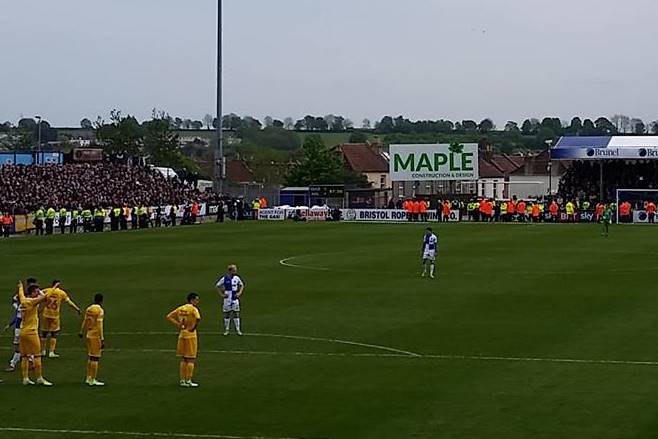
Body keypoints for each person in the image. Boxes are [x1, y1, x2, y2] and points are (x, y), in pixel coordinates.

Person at [17, 281, 52, 386]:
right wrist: (41, 291)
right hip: (31, 332)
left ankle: (25, 378)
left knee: (24, 356)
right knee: (37, 356)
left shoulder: (23, 301)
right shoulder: (32, 301)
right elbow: (45, 296)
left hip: (22, 331)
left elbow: (21, 294)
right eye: (36, 291)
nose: (38, 293)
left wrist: (21, 287)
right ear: (32, 293)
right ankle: (39, 378)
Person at [166, 292, 201, 387]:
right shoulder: (193, 309)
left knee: (183, 359)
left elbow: (169, 316)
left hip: (182, 335)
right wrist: (193, 328)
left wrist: (178, 324)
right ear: (192, 300)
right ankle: (189, 380)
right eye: (196, 299)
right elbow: (198, 318)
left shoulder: (181, 308)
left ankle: (182, 380)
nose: (198, 301)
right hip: (191, 336)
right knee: (191, 359)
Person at [40, 281, 81, 358]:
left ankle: (43, 351)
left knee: (44, 333)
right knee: (54, 333)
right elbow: (69, 302)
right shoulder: (61, 293)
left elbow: (38, 295)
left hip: (46, 314)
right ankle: (51, 352)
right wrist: (77, 309)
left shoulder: (47, 290)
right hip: (55, 315)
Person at [79, 293, 105, 386]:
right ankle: (93, 379)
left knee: (90, 357)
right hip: (95, 335)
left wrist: (81, 331)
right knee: (95, 358)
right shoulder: (100, 310)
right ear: (101, 301)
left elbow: (85, 320)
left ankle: (88, 377)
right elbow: (99, 325)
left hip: (88, 334)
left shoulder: (89, 308)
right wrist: (102, 338)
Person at [216, 265, 244, 336]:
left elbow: (241, 285)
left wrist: (239, 293)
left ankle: (238, 330)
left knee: (236, 313)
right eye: (234, 270)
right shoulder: (224, 278)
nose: (235, 271)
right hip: (227, 299)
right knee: (227, 314)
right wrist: (222, 294)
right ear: (230, 271)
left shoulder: (237, 278)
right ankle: (226, 330)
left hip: (235, 298)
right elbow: (218, 286)